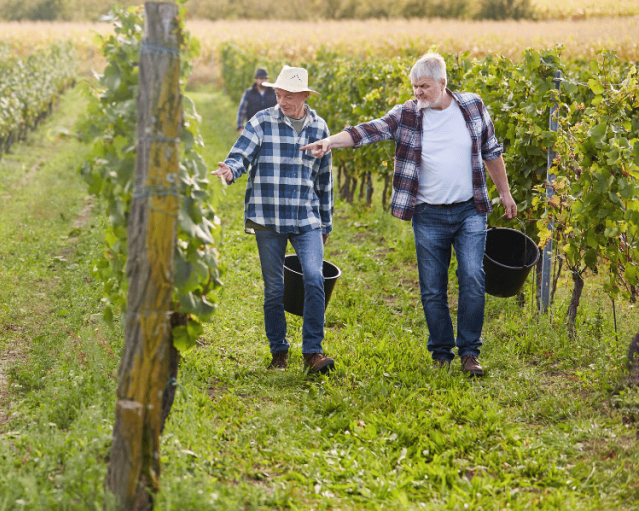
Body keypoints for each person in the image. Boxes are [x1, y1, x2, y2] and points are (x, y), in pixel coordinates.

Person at [301, 52, 516, 377]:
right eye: (414, 86)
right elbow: (367, 131)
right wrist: (330, 142)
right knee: (432, 287)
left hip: (470, 210)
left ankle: (470, 353)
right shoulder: (407, 115)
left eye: (425, 87)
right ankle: (441, 351)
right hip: (428, 214)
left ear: (443, 83)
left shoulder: (472, 107)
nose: (418, 93)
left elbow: (492, 151)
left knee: (472, 277)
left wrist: (505, 192)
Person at [212, 66, 335, 373]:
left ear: (305, 96)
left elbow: (324, 180)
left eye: (289, 96)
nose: (282, 101)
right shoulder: (263, 121)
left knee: (314, 278)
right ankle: (279, 352)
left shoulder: (320, 128)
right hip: (268, 216)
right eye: (279, 94)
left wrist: (326, 223)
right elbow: (242, 153)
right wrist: (230, 169)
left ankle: (313, 353)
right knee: (274, 289)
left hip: (306, 217)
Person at [236, 66, 275, 134]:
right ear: (256, 80)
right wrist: (240, 127)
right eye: (261, 78)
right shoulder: (248, 93)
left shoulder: (275, 93)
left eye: (265, 78)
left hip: (272, 130)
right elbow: (241, 111)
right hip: (253, 130)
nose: (263, 80)